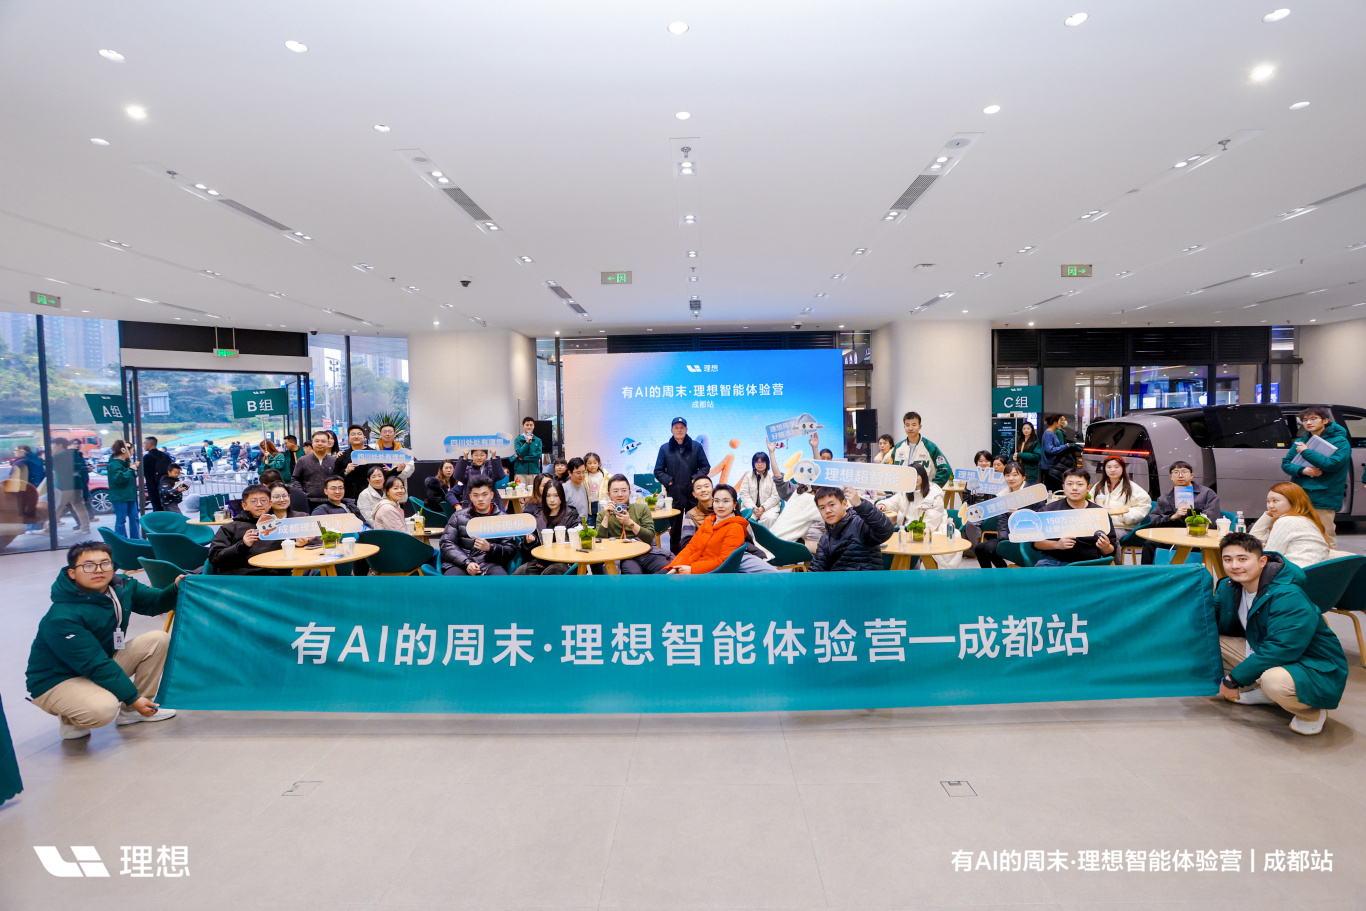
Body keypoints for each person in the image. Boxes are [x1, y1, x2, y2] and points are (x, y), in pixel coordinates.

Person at [25, 542, 182, 740]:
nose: (99, 570)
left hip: (96, 664)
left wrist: (175, 588)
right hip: (57, 680)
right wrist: (132, 697)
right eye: (89, 565)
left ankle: (132, 712)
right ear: (72, 573)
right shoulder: (62, 616)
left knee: (157, 640)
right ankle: (70, 718)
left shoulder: (121, 587)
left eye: (105, 563)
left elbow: (154, 603)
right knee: (103, 709)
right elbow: (94, 663)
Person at [1215, 532, 1347, 736]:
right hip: (1267, 651)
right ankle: (1268, 694)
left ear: (1262, 562)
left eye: (1242, 559)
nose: (1234, 566)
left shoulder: (1288, 595)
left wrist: (1233, 679)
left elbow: (1282, 648)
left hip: (1312, 664)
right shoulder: (1229, 587)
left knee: (1274, 681)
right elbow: (1208, 619)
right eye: (1227, 559)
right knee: (1210, 643)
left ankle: (1311, 713)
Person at [1280, 405, 1349, 547]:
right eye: (1305, 420)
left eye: (1313, 418)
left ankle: (1330, 560)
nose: (1308, 422)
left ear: (1325, 421)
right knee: (1300, 535)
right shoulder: (1302, 442)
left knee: (1325, 535)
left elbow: (1332, 464)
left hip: (1324, 495)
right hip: (1300, 494)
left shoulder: (1340, 441)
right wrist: (1303, 470)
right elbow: (1286, 464)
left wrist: (1306, 452)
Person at [879, 464, 964, 568]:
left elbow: (932, 522)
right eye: (911, 476)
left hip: (925, 532)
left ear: (923, 476)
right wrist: (883, 505)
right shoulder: (905, 491)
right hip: (905, 531)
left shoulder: (934, 494)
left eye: (917, 475)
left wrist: (915, 532)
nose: (914, 478)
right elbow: (893, 502)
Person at [208, 484, 305, 574]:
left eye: (263, 500)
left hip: (275, 577)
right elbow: (215, 558)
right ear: (244, 506)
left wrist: (299, 544)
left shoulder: (278, 526)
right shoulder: (231, 528)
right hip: (241, 577)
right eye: (253, 501)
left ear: (270, 503)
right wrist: (242, 545)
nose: (259, 504)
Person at [1032, 469, 1118, 566]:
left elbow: (1111, 550)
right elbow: (1035, 543)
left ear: (1088, 488)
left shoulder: (1099, 513)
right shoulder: (1049, 511)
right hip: (1055, 561)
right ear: (1063, 487)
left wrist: (1105, 547)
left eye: (1080, 484)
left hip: (1090, 562)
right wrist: (1057, 545)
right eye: (1070, 484)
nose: (1074, 488)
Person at [1140, 461, 1221, 565]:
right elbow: (1154, 519)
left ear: (1191, 475)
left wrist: (1193, 519)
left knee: (1181, 547)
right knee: (1149, 544)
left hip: (1197, 536)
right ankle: (1147, 573)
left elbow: (1211, 519)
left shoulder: (1207, 494)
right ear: (1171, 477)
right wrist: (1172, 517)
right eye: (1176, 472)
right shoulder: (1166, 497)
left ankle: (1177, 573)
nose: (1180, 475)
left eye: (1184, 472)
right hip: (1172, 536)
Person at [665, 484, 753, 574]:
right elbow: (691, 547)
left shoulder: (735, 528)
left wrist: (691, 569)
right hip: (694, 564)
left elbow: (724, 562)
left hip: (709, 573)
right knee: (662, 572)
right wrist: (675, 567)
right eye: (716, 501)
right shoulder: (709, 520)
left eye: (726, 501)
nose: (720, 505)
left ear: (734, 504)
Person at [593, 474, 672, 573]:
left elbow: (649, 537)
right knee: (633, 572)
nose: (620, 494)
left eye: (624, 490)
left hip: (643, 551)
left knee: (669, 566)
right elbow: (599, 542)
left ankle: (651, 583)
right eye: (615, 491)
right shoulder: (603, 514)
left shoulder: (642, 509)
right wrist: (606, 517)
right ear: (609, 495)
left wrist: (630, 523)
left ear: (629, 493)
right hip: (620, 554)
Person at [654, 417, 711, 554]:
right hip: (674, 494)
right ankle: (675, 556)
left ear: (686, 429)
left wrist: (695, 479)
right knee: (675, 529)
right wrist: (669, 481)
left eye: (682, 427)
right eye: (676, 428)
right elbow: (658, 471)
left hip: (692, 493)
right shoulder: (664, 448)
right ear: (671, 430)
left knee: (695, 525)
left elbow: (705, 467)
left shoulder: (696, 447)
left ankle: (695, 554)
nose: (679, 430)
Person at [440, 476, 514, 575]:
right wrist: (467, 563)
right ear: (470, 497)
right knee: (453, 581)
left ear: (492, 495)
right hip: (460, 563)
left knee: (500, 580)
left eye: (484, 495)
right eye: (476, 495)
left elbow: (510, 550)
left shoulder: (503, 519)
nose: (480, 499)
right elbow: (446, 543)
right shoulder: (458, 517)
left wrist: (490, 547)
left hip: (490, 564)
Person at [810, 486, 895, 572]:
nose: (827, 510)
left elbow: (885, 530)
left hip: (866, 579)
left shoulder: (860, 523)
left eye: (832, 505)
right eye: (822, 508)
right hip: (840, 580)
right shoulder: (826, 538)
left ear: (844, 504)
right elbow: (816, 568)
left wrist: (860, 504)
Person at [1248, 482, 1330, 568]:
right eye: (1268, 501)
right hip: (1309, 571)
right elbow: (1254, 540)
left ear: (1293, 501)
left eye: (1275, 500)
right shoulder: (1304, 519)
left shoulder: (1287, 521)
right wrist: (1269, 514)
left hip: (1296, 573)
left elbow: (1269, 555)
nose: (1270, 505)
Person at [515, 478, 580, 575]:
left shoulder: (571, 515)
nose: (552, 500)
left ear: (562, 496)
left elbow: (576, 542)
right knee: (520, 573)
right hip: (541, 560)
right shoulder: (537, 516)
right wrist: (530, 543)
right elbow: (525, 551)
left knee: (552, 571)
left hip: (565, 561)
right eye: (548, 496)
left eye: (556, 495)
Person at [972, 461, 1027, 568]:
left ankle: (1004, 573)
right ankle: (989, 576)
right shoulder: (1002, 495)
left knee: (990, 549)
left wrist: (1020, 514)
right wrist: (1004, 538)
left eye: (1015, 475)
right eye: (1007, 475)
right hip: (1008, 536)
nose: (1011, 478)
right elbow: (1002, 522)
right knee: (979, 548)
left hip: (1026, 536)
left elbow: (1038, 516)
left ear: (1023, 477)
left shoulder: (1032, 494)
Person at [1089, 455, 1152, 536]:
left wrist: (1123, 518)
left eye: (1116, 467)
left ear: (1123, 468)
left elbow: (1144, 505)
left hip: (1122, 527)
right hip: (1100, 525)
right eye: (1109, 467)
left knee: (1105, 537)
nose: (1112, 470)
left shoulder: (1132, 488)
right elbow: (1089, 503)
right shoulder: (1098, 486)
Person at [890, 411, 952, 486]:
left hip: (924, 491)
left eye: (914, 425)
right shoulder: (898, 447)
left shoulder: (930, 447)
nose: (910, 428)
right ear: (904, 427)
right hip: (902, 489)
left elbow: (945, 469)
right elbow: (890, 470)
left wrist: (933, 487)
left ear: (920, 426)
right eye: (907, 425)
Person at [48, 437, 91, 534]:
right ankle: (85, 528)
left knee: (57, 507)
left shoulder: (58, 456)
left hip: (64, 486)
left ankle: (48, 529)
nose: (51, 447)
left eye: (53, 445)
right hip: (77, 484)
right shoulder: (74, 454)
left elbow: (45, 463)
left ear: (60, 445)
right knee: (79, 506)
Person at [292, 431, 337, 509]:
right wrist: (302, 494)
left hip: (330, 501)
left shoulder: (334, 461)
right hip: (308, 501)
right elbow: (295, 479)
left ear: (328, 443)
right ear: (312, 443)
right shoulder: (303, 460)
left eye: (323, 441)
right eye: (317, 441)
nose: (320, 443)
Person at [738, 452, 781, 528]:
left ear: (767, 463)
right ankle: (749, 537)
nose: (760, 464)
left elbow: (776, 496)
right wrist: (753, 507)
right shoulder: (748, 476)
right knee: (747, 519)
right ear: (753, 463)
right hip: (750, 508)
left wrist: (763, 508)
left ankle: (765, 536)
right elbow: (744, 494)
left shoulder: (773, 476)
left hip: (769, 508)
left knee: (770, 518)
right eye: (757, 462)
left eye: (763, 462)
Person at [107, 440, 140, 539]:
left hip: (130, 496)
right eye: (132, 450)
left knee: (135, 518)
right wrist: (131, 469)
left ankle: (136, 538)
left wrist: (132, 468)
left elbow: (132, 476)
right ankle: (121, 539)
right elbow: (119, 479)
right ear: (124, 450)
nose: (133, 452)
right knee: (121, 520)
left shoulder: (126, 463)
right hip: (120, 496)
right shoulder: (114, 464)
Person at [1040, 413, 1081, 491]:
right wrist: (1065, 446)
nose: (1060, 423)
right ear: (1055, 422)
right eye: (1059, 421)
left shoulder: (1052, 433)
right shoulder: (1048, 434)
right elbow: (1050, 450)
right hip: (1050, 466)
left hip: (1054, 465)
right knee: (1052, 488)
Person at [334, 424, 374, 501]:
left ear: (364, 437)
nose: (356, 437)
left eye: (359, 434)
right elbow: (334, 477)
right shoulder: (342, 456)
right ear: (348, 438)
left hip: (370, 496)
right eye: (353, 434)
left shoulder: (373, 454)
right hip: (348, 497)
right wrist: (346, 471)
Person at [141, 436, 172, 512]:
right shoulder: (165, 456)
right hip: (166, 484)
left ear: (150, 444)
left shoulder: (147, 457)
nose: (143, 445)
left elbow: (144, 473)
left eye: (144, 443)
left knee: (157, 507)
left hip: (153, 486)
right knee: (167, 506)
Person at [513, 417, 543, 485]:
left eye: (531, 425)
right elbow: (520, 453)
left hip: (534, 471)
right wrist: (527, 443)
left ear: (534, 426)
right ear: (523, 426)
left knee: (534, 491)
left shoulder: (538, 440)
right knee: (520, 491)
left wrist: (523, 458)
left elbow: (538, 456)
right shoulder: (518, 439)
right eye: (527, 425)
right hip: (520, 472)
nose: (529, 427)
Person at [582, 452, 609, 519]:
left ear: (599, 463)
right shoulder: (584, 476)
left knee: (602, 521)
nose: (592, 465)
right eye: (589, 463)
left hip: (601, 503)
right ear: (585, 464)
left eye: (595, 463)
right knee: (591, 522)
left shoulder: (605, 475)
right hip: (589, 505)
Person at [1014, 421, 1041, 485]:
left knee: (1029, 488)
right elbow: (1012, 453)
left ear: (1032, 430)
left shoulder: (1035, 441)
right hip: (1018, 469)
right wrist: (1013, 457)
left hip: (1030, 471)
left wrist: (1020, 455)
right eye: (1024, 428)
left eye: (1028, 428)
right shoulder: (1018, 440)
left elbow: (1037, 456)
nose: (1026, 430)